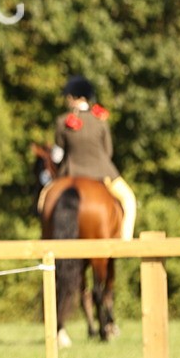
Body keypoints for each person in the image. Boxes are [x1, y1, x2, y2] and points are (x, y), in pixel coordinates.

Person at [51, 74, 137, 239]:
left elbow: (57, 156)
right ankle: (126, 244)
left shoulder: (62, 122)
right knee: (129, 200)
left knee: (44, 199)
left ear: (71, 97)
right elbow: (108, 152)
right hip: (103, 173)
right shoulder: (101, 121)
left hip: (70, 173)